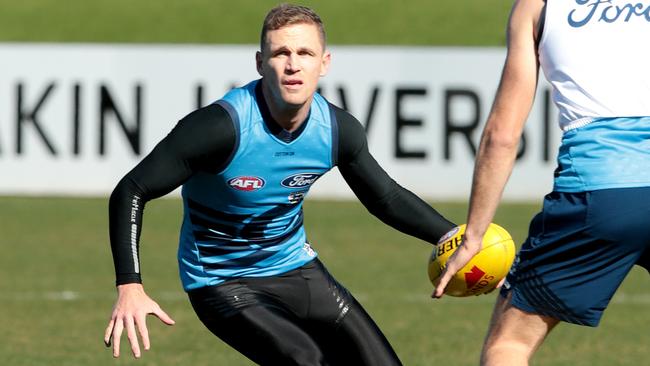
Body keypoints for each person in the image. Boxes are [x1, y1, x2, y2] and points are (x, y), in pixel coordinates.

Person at [103, 3, 455, 365]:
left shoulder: (337, 131)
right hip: (222, 281)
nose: (292, 64)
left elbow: (386, 197)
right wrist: (130, 285)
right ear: (260, 63)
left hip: (296, 268)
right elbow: (132, 190)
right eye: (280, 53)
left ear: (324, 62)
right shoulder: (218, 129)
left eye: (305, 53)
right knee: (304, 359)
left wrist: (451, 236)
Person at [433, 0, 650, 365]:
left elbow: (502, 135)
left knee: (510, 344)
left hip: (601, 195)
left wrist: (474, 235)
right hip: (606, 194)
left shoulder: (537, 7)